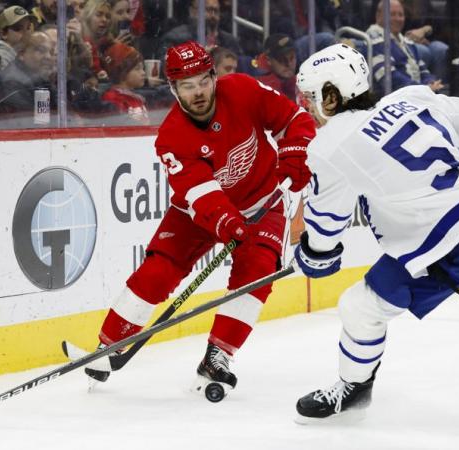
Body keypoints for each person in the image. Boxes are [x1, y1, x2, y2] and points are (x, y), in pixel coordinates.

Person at [291, 43, 459, 421]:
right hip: (432, 252)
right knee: (361, 306)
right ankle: (354, 388)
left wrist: (313, 256)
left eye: (310, 97)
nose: (306, 106)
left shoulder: (332, 144)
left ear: (331, 94)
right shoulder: (415, 98)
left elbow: (325, 228)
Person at [84, 41, 316, 396]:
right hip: (195, 213)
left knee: (257, 273)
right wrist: (227, 221)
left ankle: (218, 356)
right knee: (159, 270)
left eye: (203, 82)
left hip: (263, 201)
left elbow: (294, 119)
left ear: (213, 76)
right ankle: (108, 344)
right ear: (174, 89)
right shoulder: (172, 138)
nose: (198, 92)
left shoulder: (242, 88)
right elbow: (202, 195)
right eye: (187, 86)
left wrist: (296, 150)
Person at [367, 0, 443, 94]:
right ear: (378, 16)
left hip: (416, 96)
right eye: (392, 14)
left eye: (401, 15)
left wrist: (430, 83)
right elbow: (390, 80)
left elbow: (423, 71)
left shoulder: (408, 43)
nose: (398, 19)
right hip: (393, 101)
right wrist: (423, 89)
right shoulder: (373, 42)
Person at [101, 42, 148, 124]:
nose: (143, 73)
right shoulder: (112, 99)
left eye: (143, 68)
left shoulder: (136, 98)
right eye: (137, 69)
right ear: (123, 73)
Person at [0, 5, 35, 73]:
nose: (26, 33)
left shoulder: (21, 52)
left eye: (28, 28)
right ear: (3, 33)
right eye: (18, 29)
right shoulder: (0, 56)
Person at [255, 34, 298, 102]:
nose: (289, 64)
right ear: (268, 60)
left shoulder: (299, 81)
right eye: (281, 59)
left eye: (291, 58)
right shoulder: (262, 86)